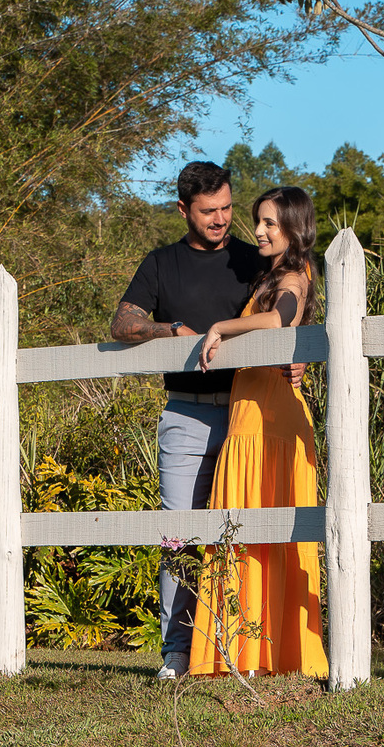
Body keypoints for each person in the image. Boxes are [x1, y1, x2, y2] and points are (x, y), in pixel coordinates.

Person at [112, 163, 262, 680]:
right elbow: (123, 322)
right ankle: (176, 652)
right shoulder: (162, 263)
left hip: (250, 412)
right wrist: (168, 329)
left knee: (247, 533)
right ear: (183, 210)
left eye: (226, 208)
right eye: (208, 212)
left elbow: (291, 304)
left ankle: (242, 646)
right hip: (185, 416)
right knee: (178, 535)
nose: (221, 219)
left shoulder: (251, 259)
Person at [189, 187, 328, 680]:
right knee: (242, 533)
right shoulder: (270, 275)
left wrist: (221, 327)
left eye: (270, 222)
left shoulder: (294, 274)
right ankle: (244, 654)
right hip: (249, 417)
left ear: (294, 226)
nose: (260, 231)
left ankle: (278, 654)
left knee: (270, 536)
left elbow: (281, 318)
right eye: (259, 222)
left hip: (270, 423)